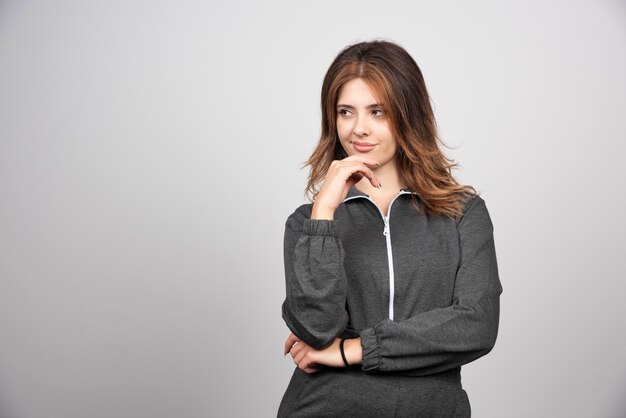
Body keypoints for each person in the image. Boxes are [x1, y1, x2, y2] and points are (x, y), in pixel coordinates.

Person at [278, 39, 502, 418]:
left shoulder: (463, 213)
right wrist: (325, 212)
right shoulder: (309, 223)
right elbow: (316, 330)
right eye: (346, 112)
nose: (359, 129)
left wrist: (349, 350)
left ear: (407, 115)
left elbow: (476, 326)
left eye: (378, 112)